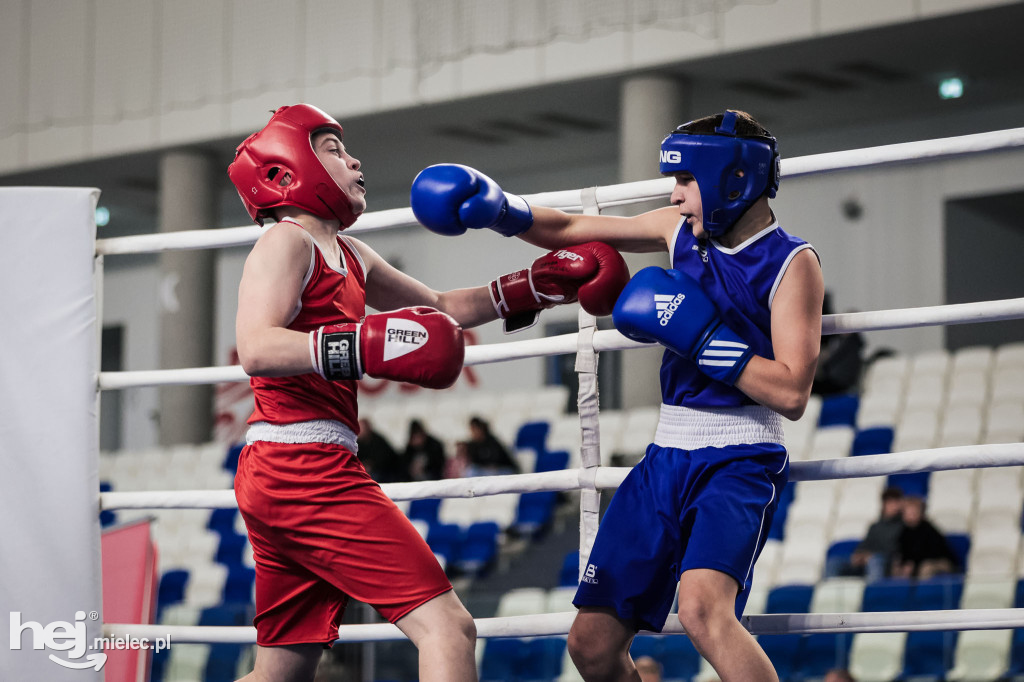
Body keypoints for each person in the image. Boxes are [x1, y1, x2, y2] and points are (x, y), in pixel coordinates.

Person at [410, 109, 824, 682]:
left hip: (740, 455)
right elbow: (571, 230)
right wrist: (501, 210)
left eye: (685, 181)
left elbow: (792, 391)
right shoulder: (679, 231)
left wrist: (702, 340)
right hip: (665, 455)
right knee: (592, 644)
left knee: (704, 613)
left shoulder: (792, 263)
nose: (675, 195)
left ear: (732, 180)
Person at [228, 103, 630, 682]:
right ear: (285, 170)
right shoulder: (285, 242)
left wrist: (532, 288)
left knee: (281, 672)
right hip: (302, 466)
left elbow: (439, 309)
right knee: (449, 628)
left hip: (293, 465)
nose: (353, 158)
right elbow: (257, 347)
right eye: (332, 148)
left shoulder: (352, 255)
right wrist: (364, 343)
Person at [832, 486, 905, 581]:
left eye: (895, 502)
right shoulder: (875, 526)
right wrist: (859, 554)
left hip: (886, 562)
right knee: (834, 563)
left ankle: (873, 593)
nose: (893, 506)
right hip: (868, 559)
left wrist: (871, 555)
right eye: (889, 502)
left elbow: (896, 549)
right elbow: (866, 543)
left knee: (875, 561)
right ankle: (829, 593)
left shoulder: (904, 526)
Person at [892, 495, 959, 579]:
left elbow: (932, 553)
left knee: (925, 568)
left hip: (940, 561)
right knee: (896, 568)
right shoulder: (904, 531)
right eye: (907, 513)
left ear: (920, 513)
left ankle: (923, 592)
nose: (910, 516)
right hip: (917, 563)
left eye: (913, 512)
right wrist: (903, 564)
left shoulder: (928, 529)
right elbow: (903, 552)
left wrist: (913, 564)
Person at [812, 291, 864, 396]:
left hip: (839, 383)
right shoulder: (850, 343)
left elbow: (829, 361)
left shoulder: (850, 343)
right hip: (838, 381)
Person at [357, 417, 406, 482]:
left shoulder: (378, 441)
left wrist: (371, 465)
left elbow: (385, 458)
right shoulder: (357, 443)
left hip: (385, 472)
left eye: (362, 428)